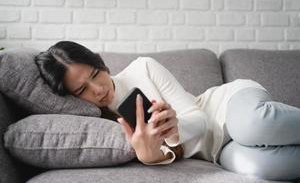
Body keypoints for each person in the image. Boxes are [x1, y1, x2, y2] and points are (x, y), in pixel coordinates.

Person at [35, 41, 300, 181]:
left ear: (101, 64)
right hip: (216, 152)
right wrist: (150, 156)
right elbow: (170, 154)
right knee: (265, 168)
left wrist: (174, 129)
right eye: (82, 91)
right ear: (72, 98)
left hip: (224, 106)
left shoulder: (143, 68)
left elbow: (198, 119)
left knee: (253, 125)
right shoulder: (102, 127)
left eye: (95, 74)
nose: (97, 89)